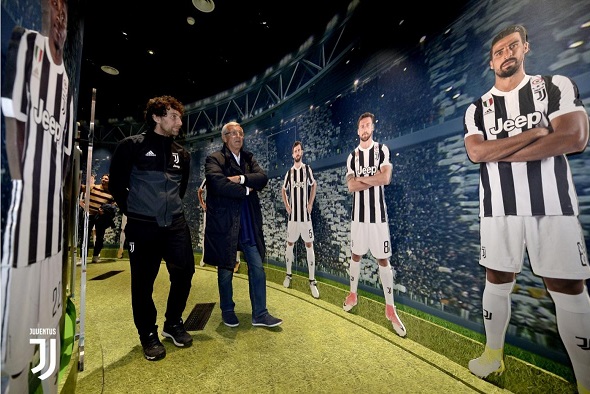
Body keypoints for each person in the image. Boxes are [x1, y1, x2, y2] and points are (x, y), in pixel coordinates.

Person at [463, 25, 590, 392]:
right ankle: (493, 356)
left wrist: (501, 150)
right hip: (497, 209)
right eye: (499, 51)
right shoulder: (477, 109)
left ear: (525, 48)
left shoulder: (554, 86)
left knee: (567, 287)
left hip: (552, 206)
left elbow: (575, 137)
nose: (506, 54)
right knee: (497, 279)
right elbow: (476, 153)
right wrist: (535, 133)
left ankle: (585, 379)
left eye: (512, 47)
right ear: (492, 61)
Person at [1, 0, 74, 390]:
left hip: (52, 231)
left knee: (47, 321)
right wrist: (23, 185)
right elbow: (12, 117)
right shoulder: (27, 45)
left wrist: (54, 202)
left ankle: (47, 387)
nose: (60, 16)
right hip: (25, 220)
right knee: (14, 346)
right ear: (46, 12)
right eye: (55, 8)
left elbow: (63, 160)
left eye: (65, 12)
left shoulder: (67, 87)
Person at [109, 95, 195, 361]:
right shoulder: (130, 147)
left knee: (184, 273)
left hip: (176, 226)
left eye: (179, 117)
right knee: (143, 284)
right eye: (173, 116)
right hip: (142, 227)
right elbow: (116, 186)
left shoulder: (182, 154)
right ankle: (148, 334)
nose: (179, 122)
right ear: (157, 117)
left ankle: (173, 323)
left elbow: (180, 189)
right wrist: (135, 213)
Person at [204, 121, 282, 328]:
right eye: (233, 133)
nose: (238, 136)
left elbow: (262, 179)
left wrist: (239, 179)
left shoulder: (248, 158)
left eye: (241, 132)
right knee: (225, 270)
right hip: (226, 223)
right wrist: (247, 189)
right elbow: (217, 184)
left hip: (247, 221)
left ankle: (260, 314)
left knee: (257, 267)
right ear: (224, 137)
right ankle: (227, 310)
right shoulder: (215, 158)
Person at [342, 112, 406, 338]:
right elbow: (350, 187)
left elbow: (385, 179)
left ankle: (390, 308)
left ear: (372, 128)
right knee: (355, 256)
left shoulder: (382, 150)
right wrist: (373, 178)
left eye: (368, 125)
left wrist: (362, 181)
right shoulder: (352, 157)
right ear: (358, 130)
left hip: (378, 218)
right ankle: (352, 294)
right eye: (362, 126)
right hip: (358, 218)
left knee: (383, 260)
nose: (365, 129)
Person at [281, 141, 320, 298]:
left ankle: (312, 281)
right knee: (290, 244)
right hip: (293, 217)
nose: (297, 153)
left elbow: (314, 184)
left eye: (299, 150)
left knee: (309, 245)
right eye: (295, 151)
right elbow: (283, 190)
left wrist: (310, 203)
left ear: (302, 152)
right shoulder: (289, 172)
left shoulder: (307, 169)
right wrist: (287, 206)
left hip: (305, 217)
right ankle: (288, 275)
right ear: (292, 154)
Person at [197, 178, 241, 272]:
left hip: (224, 212)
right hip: (210, 212)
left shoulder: (229, 178)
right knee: (207, 234)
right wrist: (202, 204)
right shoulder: (208, 178)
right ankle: (204, 257)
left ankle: (231, 261)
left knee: (227, 235)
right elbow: (200, 191)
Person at [80, 173, 116, 263]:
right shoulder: (93, 187)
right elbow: (82, 187)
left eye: (106, 179)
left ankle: (95, 256)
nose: (103, 180)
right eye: (103, 178)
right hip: (89, 215)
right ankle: (82, 258)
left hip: (101, 217)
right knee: (85, 236)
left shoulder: (112, 193)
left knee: (100, 237)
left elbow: (113, 207)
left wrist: (105, 212)